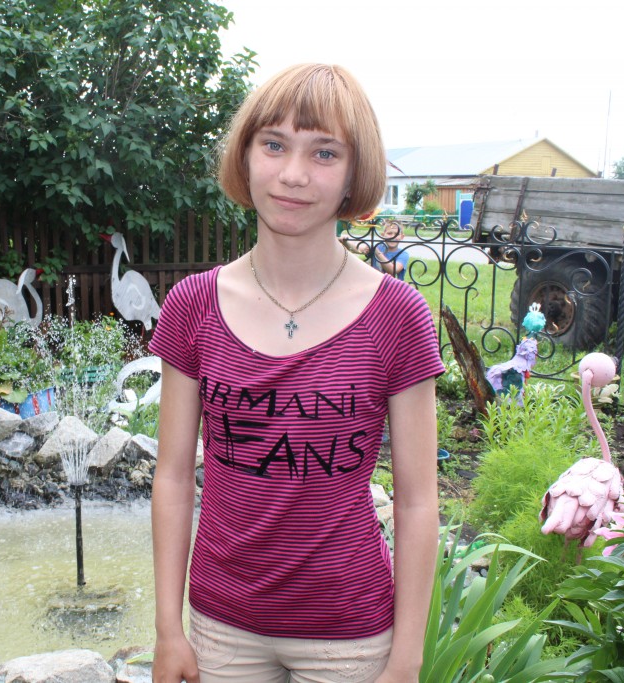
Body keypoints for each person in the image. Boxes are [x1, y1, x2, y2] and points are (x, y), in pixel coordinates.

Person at [149, 63, 443, 683]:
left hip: (350, 636)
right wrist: (168, 630)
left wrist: (407, 659)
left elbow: (418, 502)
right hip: (221, 629)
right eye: (274, 144)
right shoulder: (193, 305)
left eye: (324, 153)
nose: (293, 174)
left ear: (354, 174)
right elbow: (173, 477)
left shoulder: (397, 316)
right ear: (245, 155)